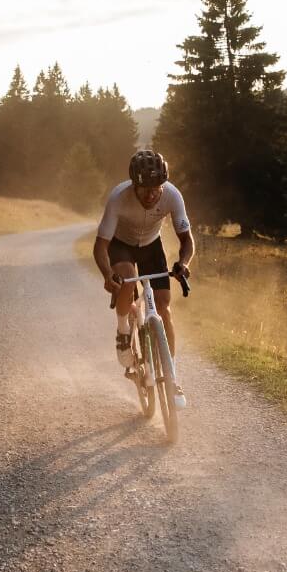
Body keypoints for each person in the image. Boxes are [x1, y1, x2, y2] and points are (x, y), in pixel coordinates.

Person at [94, 149, 194, 391]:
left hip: (151, 245)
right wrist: (108, 275)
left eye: (156, 188)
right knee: (127, 280)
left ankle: (171, 377)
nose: (151, 195)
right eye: (145, 189)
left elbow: (187, 241)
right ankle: (123, 331)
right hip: (121, 245)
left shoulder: (172, 195)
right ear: (133, 186)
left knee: (163, 307)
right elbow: (100, 246)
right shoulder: (118, 197)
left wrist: (184, 264)